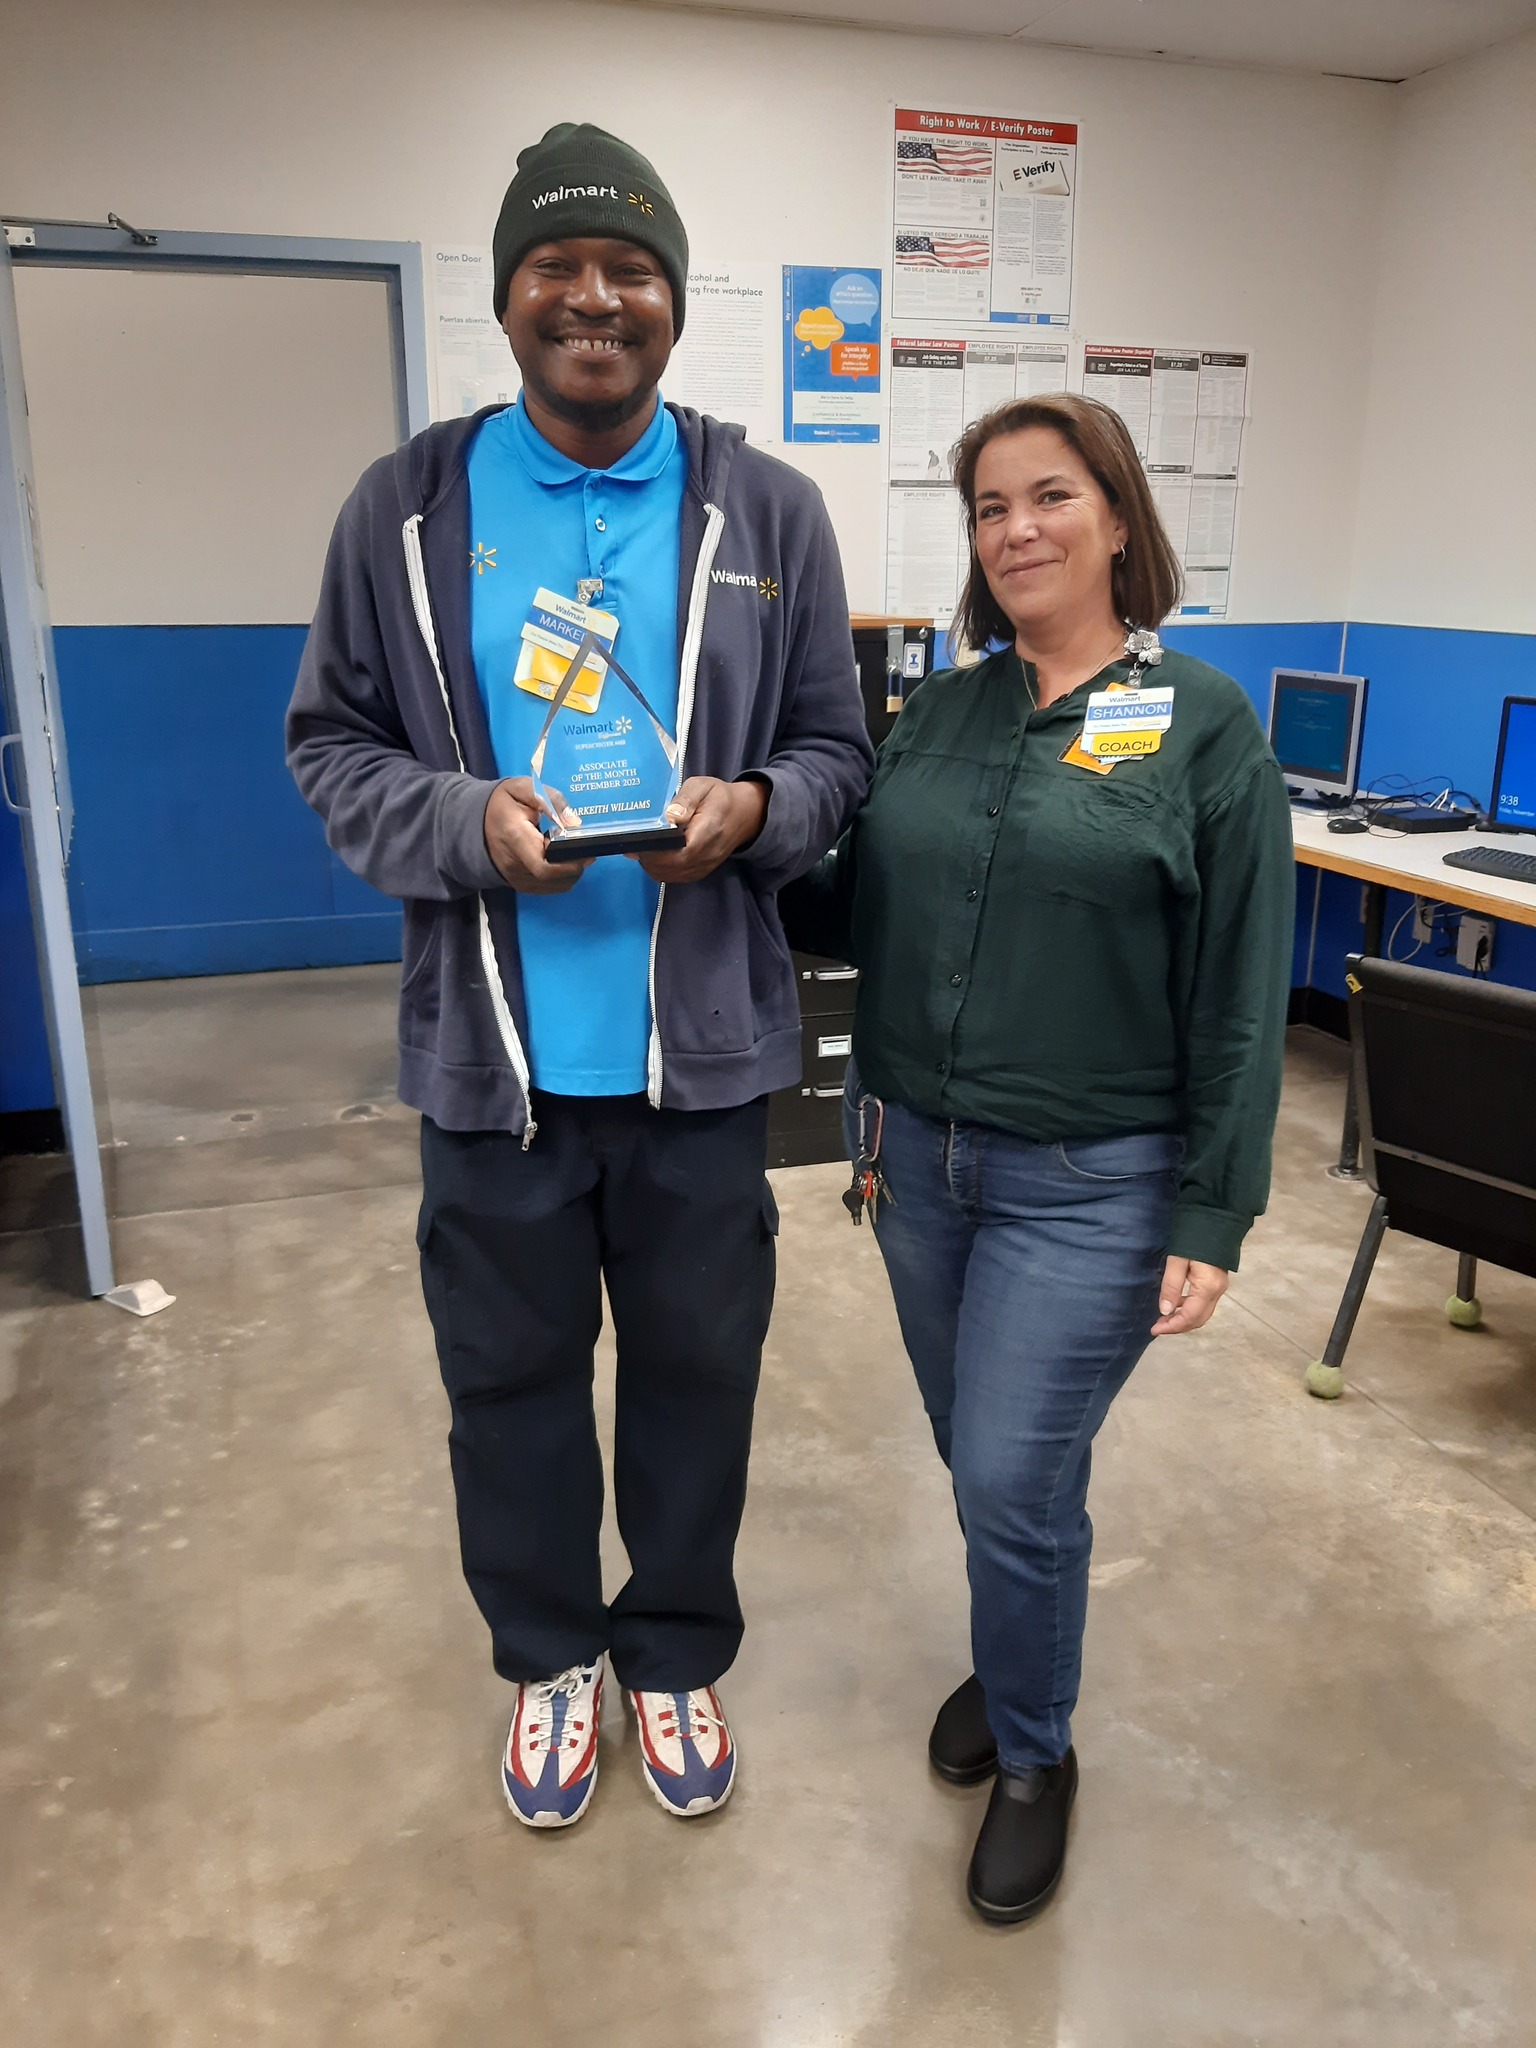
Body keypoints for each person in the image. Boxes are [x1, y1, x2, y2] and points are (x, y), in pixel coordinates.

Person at [287, 123, 872, 1830]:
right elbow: (331, 747)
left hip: (703, 1066)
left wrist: (755, 810)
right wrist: (464, 822)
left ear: (675, 303)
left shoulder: (769, 510)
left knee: (699, 1379)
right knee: (510, 1390)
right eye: (557, 266)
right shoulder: (406, 510)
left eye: (631, 269)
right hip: (498, 1069)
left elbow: (838, 753)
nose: (594, 298)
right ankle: (551, 1657)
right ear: (508, 299)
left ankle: (674, 1655)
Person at [783, 393, 1292, 1922]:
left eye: (1050, 496)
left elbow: (1242, 993)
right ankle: (1017, 1654)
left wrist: (1215, 1207)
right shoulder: (938, 715)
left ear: (1120, 518)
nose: (1016, 530)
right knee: (988, 1459)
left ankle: (1033, 1753)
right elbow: (847, 907)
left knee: (1012, 1474)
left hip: (1092, 1184)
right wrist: (737, 828)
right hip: (911, 1159)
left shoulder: (1204, 725)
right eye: (990, 507)